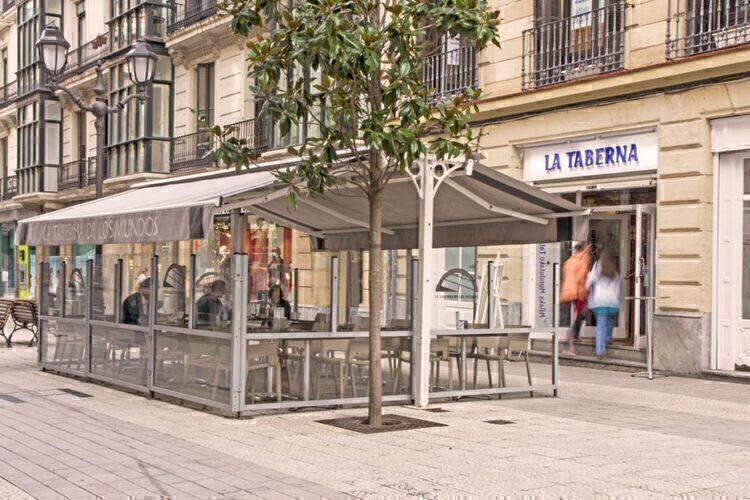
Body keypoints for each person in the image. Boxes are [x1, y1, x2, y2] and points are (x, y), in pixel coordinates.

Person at [586, 249, 620, 359]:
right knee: (610, 320)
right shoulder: (614, 271)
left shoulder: (597, 268)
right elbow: (617, 288)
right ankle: (608, 338)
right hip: (612, 300)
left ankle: (600, 351)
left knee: (601, 326)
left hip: (600, 300)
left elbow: (589, 282)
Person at [560, 243, 591, 356]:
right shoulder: (583, 259)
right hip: (578, 292)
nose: (590, 249)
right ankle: (570, 346)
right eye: (588, 247)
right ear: (584, 249)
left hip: (568, 292)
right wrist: (585, 292)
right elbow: (581, 278)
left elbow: (566, 275)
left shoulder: (570, 260)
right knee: (580, 316)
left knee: (576, 317)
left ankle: (572, 340)